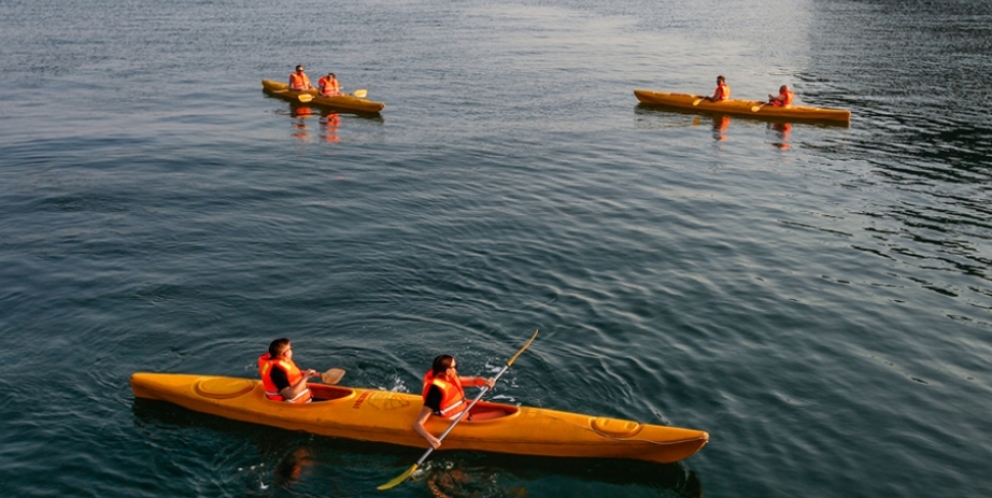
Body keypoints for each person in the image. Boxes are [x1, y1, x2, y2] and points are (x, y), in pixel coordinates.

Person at [413, 355, 498, 449]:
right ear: (448, 371)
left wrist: (485, 381)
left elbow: (473, 381)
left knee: (502, 412)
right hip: (458, 424)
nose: (457, 369)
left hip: (464, 416)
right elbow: (417, 424)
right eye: (455, 366)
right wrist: (430, 438)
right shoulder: (435, 393)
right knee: (500, 414)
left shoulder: (449, 378)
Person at [258, 338, 320, 403]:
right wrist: (305, 378)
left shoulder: (280, 361)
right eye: (290, 349)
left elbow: (288, 375)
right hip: (289, 405)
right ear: (286, 353)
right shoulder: (277, 371)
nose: (291, 351)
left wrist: (306, 374)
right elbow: (290, 395)